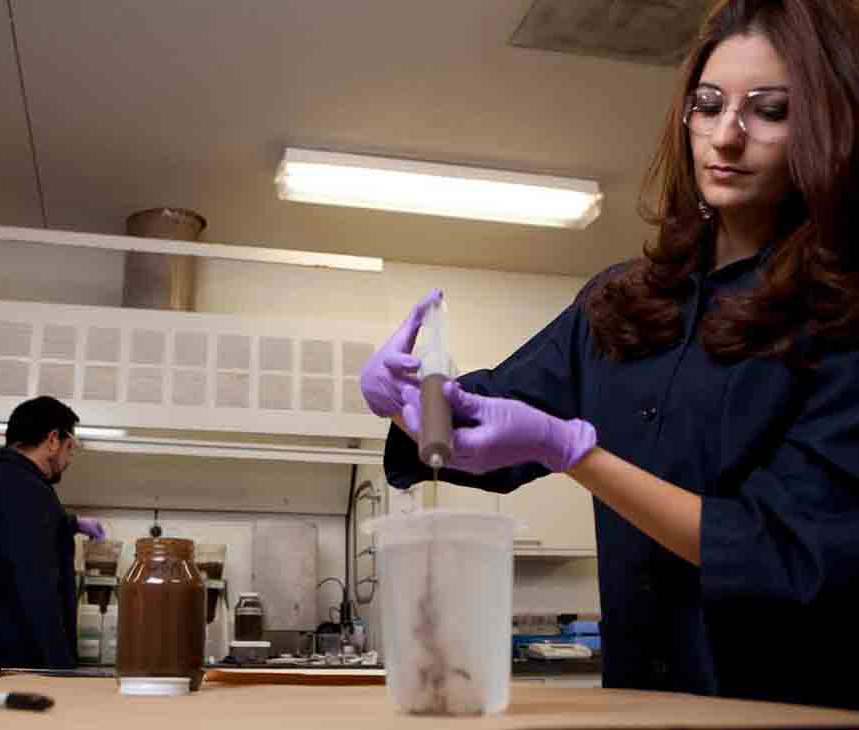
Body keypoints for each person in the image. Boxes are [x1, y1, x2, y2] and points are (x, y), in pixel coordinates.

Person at [363, 0, 859, 710]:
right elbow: (492, 416)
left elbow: (782, 551)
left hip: (788, 710)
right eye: (708, 105)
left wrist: (575, 454)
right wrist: (408, 397)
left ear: (828, 126)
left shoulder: (840, 317)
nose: (727, 135)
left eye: (771, 110)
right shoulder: (621, 302)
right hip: (638, 705)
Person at [0, 396, 104, 671]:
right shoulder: (26, 491)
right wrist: (61, 668)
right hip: (9, 666)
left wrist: (70, 524)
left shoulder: (0, 482)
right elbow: (36, 588)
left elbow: (14, 541)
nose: (70, 459)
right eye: (71, 447)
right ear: (53, 440)